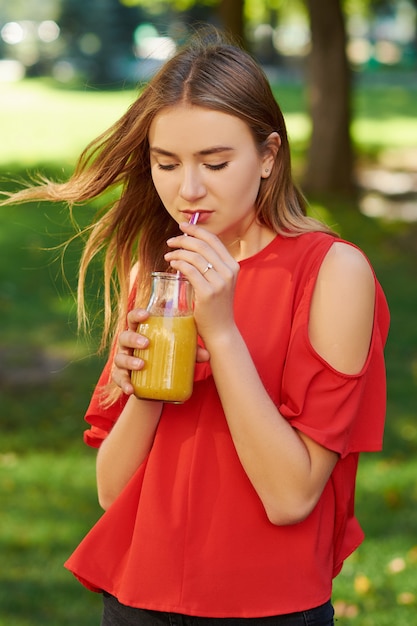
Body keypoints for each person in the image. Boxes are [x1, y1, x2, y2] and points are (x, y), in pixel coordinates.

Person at [3, 28, 389, 626]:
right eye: (165, 163)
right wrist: (141, 391)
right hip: (137, 600)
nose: (187, 190)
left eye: (214, 163)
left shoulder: (332, 274)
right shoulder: (158, 269)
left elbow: (291, 497)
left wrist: (224, 333)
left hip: (269, 604)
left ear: (268, 156)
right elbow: (112, 492)